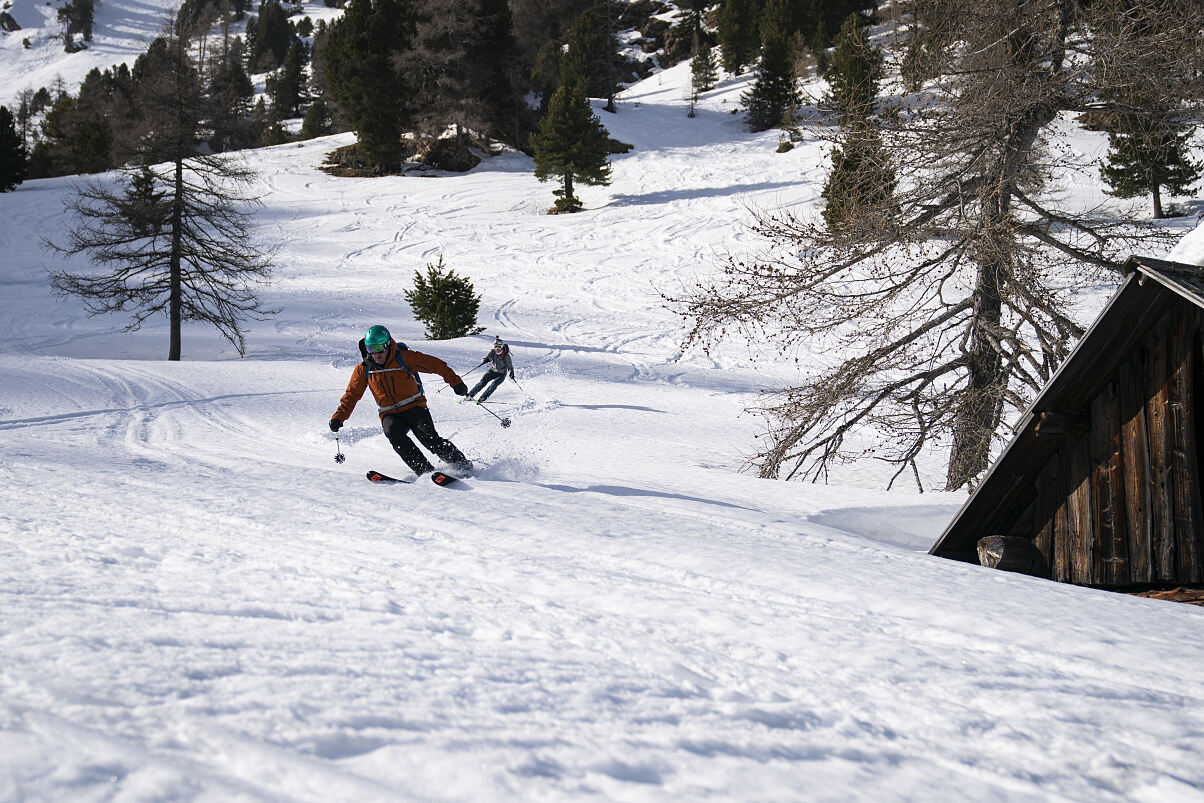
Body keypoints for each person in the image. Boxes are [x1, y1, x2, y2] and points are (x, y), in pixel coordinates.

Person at [329, 325, 474, 476]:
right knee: (393, 433)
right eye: (371, 349)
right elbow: (352, 395)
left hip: (414, 406)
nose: (376, 354)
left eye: (379, 348)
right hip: (389, 412)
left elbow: (436, 365)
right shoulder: (364, 369)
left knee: (429, 439)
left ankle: (463, 466)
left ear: (387, 345)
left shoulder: (404, 357)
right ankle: (424, 471)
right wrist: (339, 417)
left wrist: (455, 382)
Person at [467, 336, 515, 403]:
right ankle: (470, 395)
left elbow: (510, 366)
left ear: (501, 346)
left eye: (499, 346)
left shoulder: (506, 356)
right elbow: (487, 358)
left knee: (494, 384)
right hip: (492, 371)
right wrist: (485, 360)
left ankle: (483, 398)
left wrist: (512, 373)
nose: (497, 348)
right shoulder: (492, 352)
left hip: (501, 374)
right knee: (482, 382)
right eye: (495, 346)